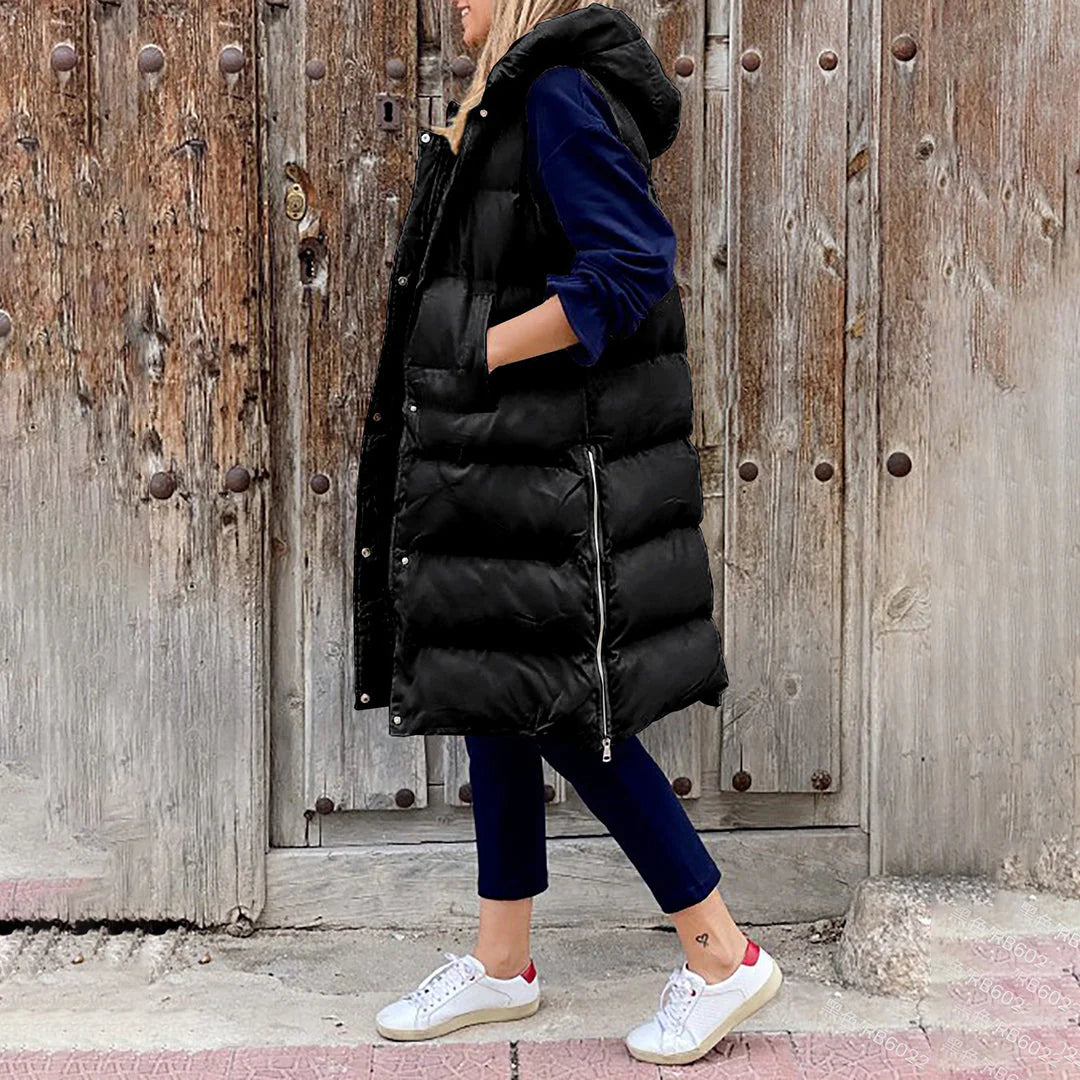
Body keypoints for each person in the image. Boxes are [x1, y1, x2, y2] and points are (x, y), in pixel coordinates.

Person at [360, 0, 783, 1065]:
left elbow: (630, 266)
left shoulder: (556, 93)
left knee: (559, 711)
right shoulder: (511, 99)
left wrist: (479, 352)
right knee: (494, 691)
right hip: (498, 462)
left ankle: (721, 954)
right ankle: (501, 963)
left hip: (547, 464)